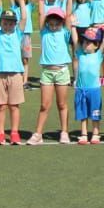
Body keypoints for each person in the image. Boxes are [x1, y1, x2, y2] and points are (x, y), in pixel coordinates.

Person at [0, 0, 29, 146]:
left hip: (15, 74)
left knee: (14, 106)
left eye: (11, 23)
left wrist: (20, 1)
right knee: (1, 106)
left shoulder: (17, 34)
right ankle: (0, 133)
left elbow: (24, 18)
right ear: (1, 23)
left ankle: (14, 133)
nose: (8, 25)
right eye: (5, 23)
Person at [31, 8, 75, 145]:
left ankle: (64, 132)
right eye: (51, 23)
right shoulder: (44, 32)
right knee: (44, 105)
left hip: (62, 71)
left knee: (62, 104)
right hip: (46, 73)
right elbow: (40, 14)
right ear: (47, 23)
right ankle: (38, 134)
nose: (54, 25)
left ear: (62, 23)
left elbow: (68, 15)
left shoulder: (64, 32)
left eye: (57, 23)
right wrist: (41, 0)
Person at [74, 26, 104, 144]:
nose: (85, 44)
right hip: (81, 89)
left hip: (94, 90)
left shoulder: (98, 55)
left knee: (95, 113)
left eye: (88, 42)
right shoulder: (80, 54)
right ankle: (83, 134)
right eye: (84, 42)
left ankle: (95, 134)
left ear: (96, 45)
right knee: (83, 113)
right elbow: (75, 40)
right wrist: (73, 27)